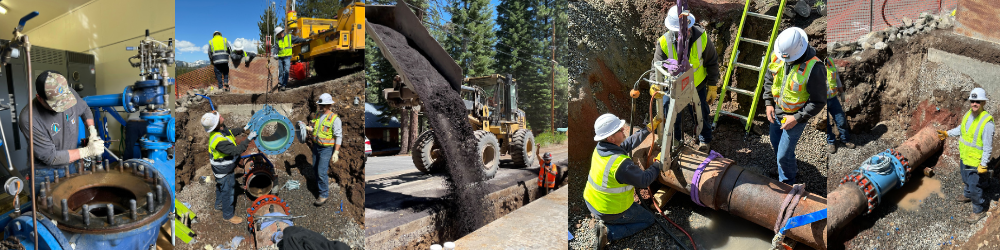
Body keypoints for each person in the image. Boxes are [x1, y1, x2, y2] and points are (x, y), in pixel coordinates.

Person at [584, 113, 664, 249]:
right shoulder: (620, 165)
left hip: (592, 201)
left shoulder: (601, 149)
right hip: (609, 210)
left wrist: (648, 129)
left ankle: (604, 220)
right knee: (649, 219)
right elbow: (644, 180)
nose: (624, 130)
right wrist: (658, 163)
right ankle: (609, 233)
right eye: (620, 130)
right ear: (611, 137)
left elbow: (628, 143)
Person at [762, 27, 827, 185]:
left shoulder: (815, 68)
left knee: (784, 154)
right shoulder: (779, 55)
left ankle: (787, 182)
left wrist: (797, 118)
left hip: (795, 117)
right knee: (776, 143)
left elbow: (818, 101)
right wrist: (768, 102)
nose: (785, 61)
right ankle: (784, 167)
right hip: (776, 111)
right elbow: (769, 79)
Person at [18, 71, 104, 189]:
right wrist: (86, 151)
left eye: (65, 103)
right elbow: (50, 156)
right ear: (39, 98)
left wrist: (92, 131)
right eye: (55, 105)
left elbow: (85, 109)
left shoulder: (67, 93)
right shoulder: (29, 118)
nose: (62, 108)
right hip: (45, 173)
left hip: (71, 164)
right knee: (45, 206)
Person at [652, 6, 720, 151]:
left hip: (697, 84)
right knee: (669, 113)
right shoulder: (664, 42)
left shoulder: (702, 37)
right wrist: (655, 84)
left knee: (701, 112)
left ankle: (704, 140)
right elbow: (655, 66)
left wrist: (712, 85)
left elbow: (712, 62)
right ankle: (675, 141)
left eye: (687, 28)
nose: (685, 32)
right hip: (673, 86)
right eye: (680, 31)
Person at [937, 87, 994, 222]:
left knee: (975, 186)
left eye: (978, 102)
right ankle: (968, 195)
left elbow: (987, 147)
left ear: (983, 103)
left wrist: (984, 164)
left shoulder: (987, 123)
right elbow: (961, 130)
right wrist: (947, 133)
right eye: (973, 101)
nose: (974, 104)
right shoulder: (968, 114)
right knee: (965, 179)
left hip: (976, 162)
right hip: (965, 157)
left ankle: (979, 210)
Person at [202, 111, 256, 224]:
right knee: (228, 193)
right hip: (224, 172)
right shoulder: (219, 141)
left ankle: (219, 205)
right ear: (217, 124)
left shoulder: (220, 130)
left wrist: (243, 129)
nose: (220, 115)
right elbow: (236, 151)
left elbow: (230, 132)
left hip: (219, 170)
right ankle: (228, 215)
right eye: (218, 117)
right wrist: (249, 138)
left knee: (220, 187)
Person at [302, 93, 342, 206]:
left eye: (323, 105)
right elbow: (314, 127)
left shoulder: (335, 119)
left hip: (326, 149)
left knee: (321, 171)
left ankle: (323, 194)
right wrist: (307, 128)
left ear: (329, 105)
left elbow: (339, 136)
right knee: (315, 168)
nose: (321, 107)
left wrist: (336, 152)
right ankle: (320, 187)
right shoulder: (317, 115)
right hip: (316, 146)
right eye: (320, 104)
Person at [824, 57, 855, 153]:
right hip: (822, 101)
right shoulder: (815, 65)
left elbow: (837, 79)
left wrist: (842, 93)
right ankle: (831, 142)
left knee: (841, 119)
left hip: (833, 99)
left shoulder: (831, 62)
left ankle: (845, 139)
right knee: (826, 123)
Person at [273, 26, 308, 91]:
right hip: (280, 58)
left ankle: (284, 85)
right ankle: (281, 84)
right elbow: (276, 48)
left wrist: (305, 40)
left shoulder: (289, 37)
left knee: (286, 71)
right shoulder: (278, 40)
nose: (277, 36)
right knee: (280, 72)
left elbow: (297, 40)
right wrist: (274, 54)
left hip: (287, 57)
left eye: (277, 35)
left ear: (280, 33)